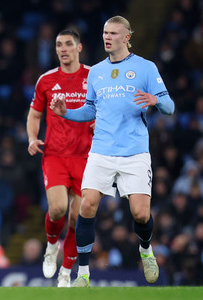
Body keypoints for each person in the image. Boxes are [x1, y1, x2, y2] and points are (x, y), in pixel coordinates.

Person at [50, 16, 175, 287]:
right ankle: (83, 273)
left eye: (114, 33)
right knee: (87, 205)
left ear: (127, 37)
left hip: (135, 152)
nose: (107, 37)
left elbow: (170, 107)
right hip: (102, 150)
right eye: (105, 32)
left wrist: (156, 100)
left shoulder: (145, 67)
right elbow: (90, 110)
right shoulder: (96, 71)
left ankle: (146, 249)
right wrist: (66, 112)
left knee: (141, 214)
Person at [26, 29, 92, 287]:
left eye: (68, 44)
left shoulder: (93, 77)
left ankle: (66, 271)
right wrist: (32, 138)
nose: (63, 49)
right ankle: (51, 245)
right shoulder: (45, 81)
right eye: (58, 45)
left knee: (77, 218)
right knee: (57, 209)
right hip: (55, 154)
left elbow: (105, 108)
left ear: (79, 47)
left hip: (86, 156)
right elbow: (34, 115)